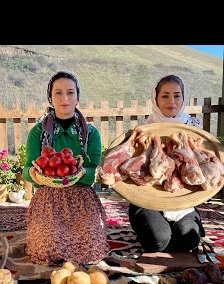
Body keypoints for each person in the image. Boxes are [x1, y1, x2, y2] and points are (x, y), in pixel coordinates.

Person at [22, 71, 109, 266]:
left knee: (91, 246)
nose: (65, 99)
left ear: (78, 97)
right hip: (48, 198)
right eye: (58, 93)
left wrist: (83, 173)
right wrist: (35, 174)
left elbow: (92, 173)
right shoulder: (37, 132)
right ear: (50, 98)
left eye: (70, 93)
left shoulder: (91, 134)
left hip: (82, 199)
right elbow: (27, 168)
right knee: (48, 247)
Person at [128, 74, 205, 253]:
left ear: (183, 98)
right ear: (155, 99)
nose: (171, 101)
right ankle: (150, 226)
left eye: (177, 95)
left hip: (183, 203)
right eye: (165, 95)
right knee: (158, 240)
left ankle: (186, 223)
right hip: (148, 200)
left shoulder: (194, 130)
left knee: (189, 239)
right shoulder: (143, 132)